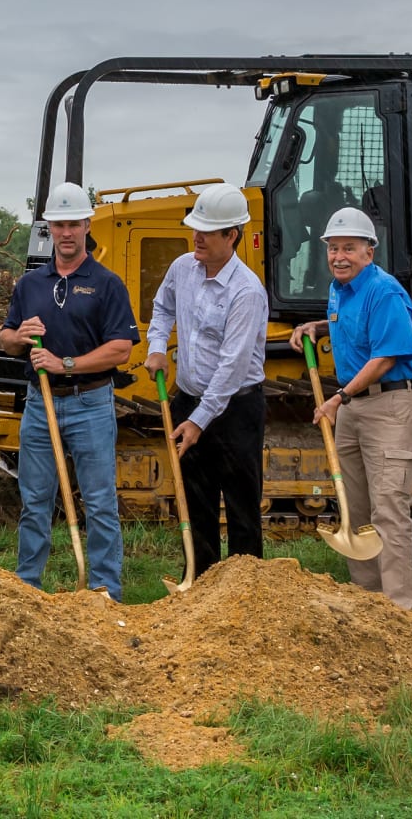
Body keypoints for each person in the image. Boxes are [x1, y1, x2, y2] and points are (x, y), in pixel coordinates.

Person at [0, 182, 138, 598]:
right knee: (34, 501)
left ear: (86, 226)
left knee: (98, 502)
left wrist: (66, 364)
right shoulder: (30, 285)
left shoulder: (107, 283)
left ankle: (105, 591)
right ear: (49, 228)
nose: (66, 233)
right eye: (58, 224)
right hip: (40, 407)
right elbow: (5, 338)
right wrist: (20, 335)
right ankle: (28, 589)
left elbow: (121, 349)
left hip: (90, 403)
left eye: (73, 224)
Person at [291, 207, 412, 610]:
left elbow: (385, 357)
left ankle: (400, 610)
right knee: (355, 509)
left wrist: (338, 398)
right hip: (353, 404)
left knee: (389, 511)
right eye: (333, 248)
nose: (339, 256)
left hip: (389, 404)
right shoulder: (340, 290)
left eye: (349, 248)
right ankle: (368, 603)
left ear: (370, 251)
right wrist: (316, 326)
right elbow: (350, 323)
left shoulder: (384, 291)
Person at [144, 183, 267, 575]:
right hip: (189, 398)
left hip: (236, 409)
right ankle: (197, 584)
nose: (196, 237)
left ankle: (246, 591)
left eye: (206, 231)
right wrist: (158, 346)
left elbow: (232, 365)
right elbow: (161, 307)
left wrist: (199, 421)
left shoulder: (247, 291)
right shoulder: (183, 268)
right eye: (195, 228)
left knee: (241, 505)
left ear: (231, 235)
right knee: (195, 501)